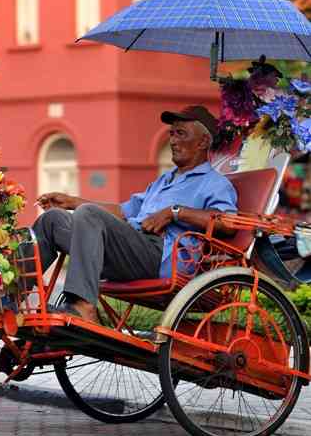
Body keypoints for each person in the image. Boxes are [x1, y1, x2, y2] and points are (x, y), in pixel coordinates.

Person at [34, 105, 238, 324]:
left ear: (203, 142)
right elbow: (122, 212)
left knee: (89, 214)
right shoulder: (163, 181)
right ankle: (9, 293)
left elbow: (228, 223)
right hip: (129, 249)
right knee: (52, 219)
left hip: (159, 258)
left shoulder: (215, 183)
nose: (172, 140)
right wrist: (72, 201)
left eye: (181, 133)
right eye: (171, 133)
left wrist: (175, 213)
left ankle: (83, 307)